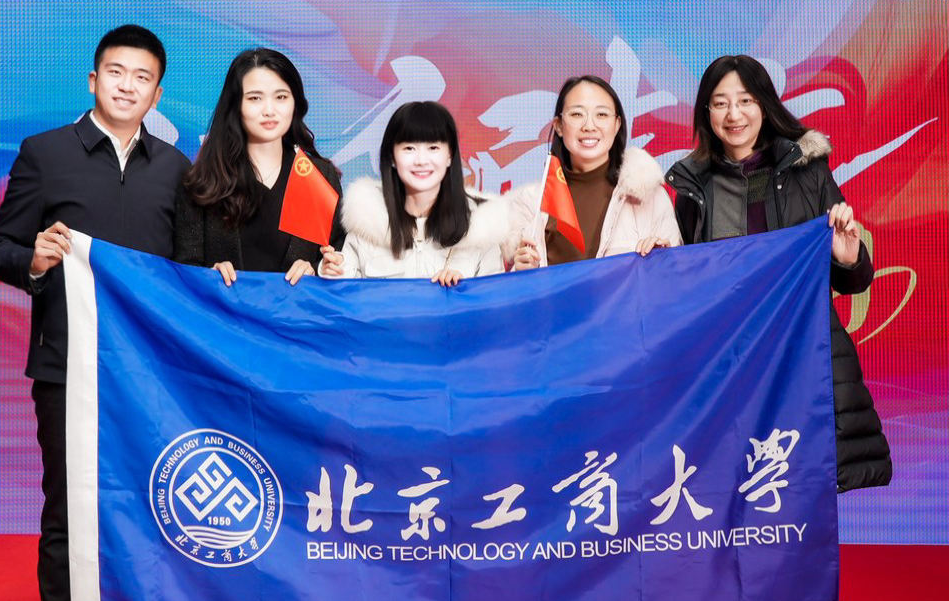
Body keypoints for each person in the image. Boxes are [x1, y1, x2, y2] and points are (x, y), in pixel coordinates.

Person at [0, 24, 189, 601]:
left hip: (151, 375)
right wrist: (33, 259)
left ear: (157, 93)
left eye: (142, 77)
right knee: (70, 514)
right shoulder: (46, 153)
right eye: (116, 72)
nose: (128, 85)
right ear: (93, 80)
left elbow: (186, 272)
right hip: (67, 364)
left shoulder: (176, 169)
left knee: (152, 510)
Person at [665, 54, 892, 492]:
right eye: (720, 103)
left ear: (764, 105)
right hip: (730, 366)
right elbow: (687, 289)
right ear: (706, 112)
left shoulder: (806, 171)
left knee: (804, 492)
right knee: (734, 493)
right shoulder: (694, 189)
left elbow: (853, 279)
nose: (733, 115)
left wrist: (847, 256)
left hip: (802, 358)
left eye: (745, 100)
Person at [174, 47, 342, 282]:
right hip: (223, 306)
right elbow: (184, 270)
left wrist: (317, 269)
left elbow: (339, 257)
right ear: (235, 105)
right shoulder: (202, 181)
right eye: (255, 98)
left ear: (295, 103)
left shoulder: (319, 177)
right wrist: (208, 276)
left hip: (297, 307)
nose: (269, 110)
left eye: (281, 97)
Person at [319, 101, 509, 284]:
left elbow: (494, 298)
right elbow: (345, 295)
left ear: (450, 156)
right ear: (392, 157)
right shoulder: (367, 221)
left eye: (433, 148)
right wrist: (334, 271)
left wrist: (464, 291)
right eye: (409, 148)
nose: (421, 160)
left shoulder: (482, 225)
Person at [508, 75, 680, 269]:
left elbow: (675, 276)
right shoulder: (532, 203)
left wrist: (663, 259)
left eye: (602, 115)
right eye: (577, 114)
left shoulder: (649, 195)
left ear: (617, 124)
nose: (589, 126)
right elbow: (512, 284)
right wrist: (521, 273)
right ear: (558, 126)